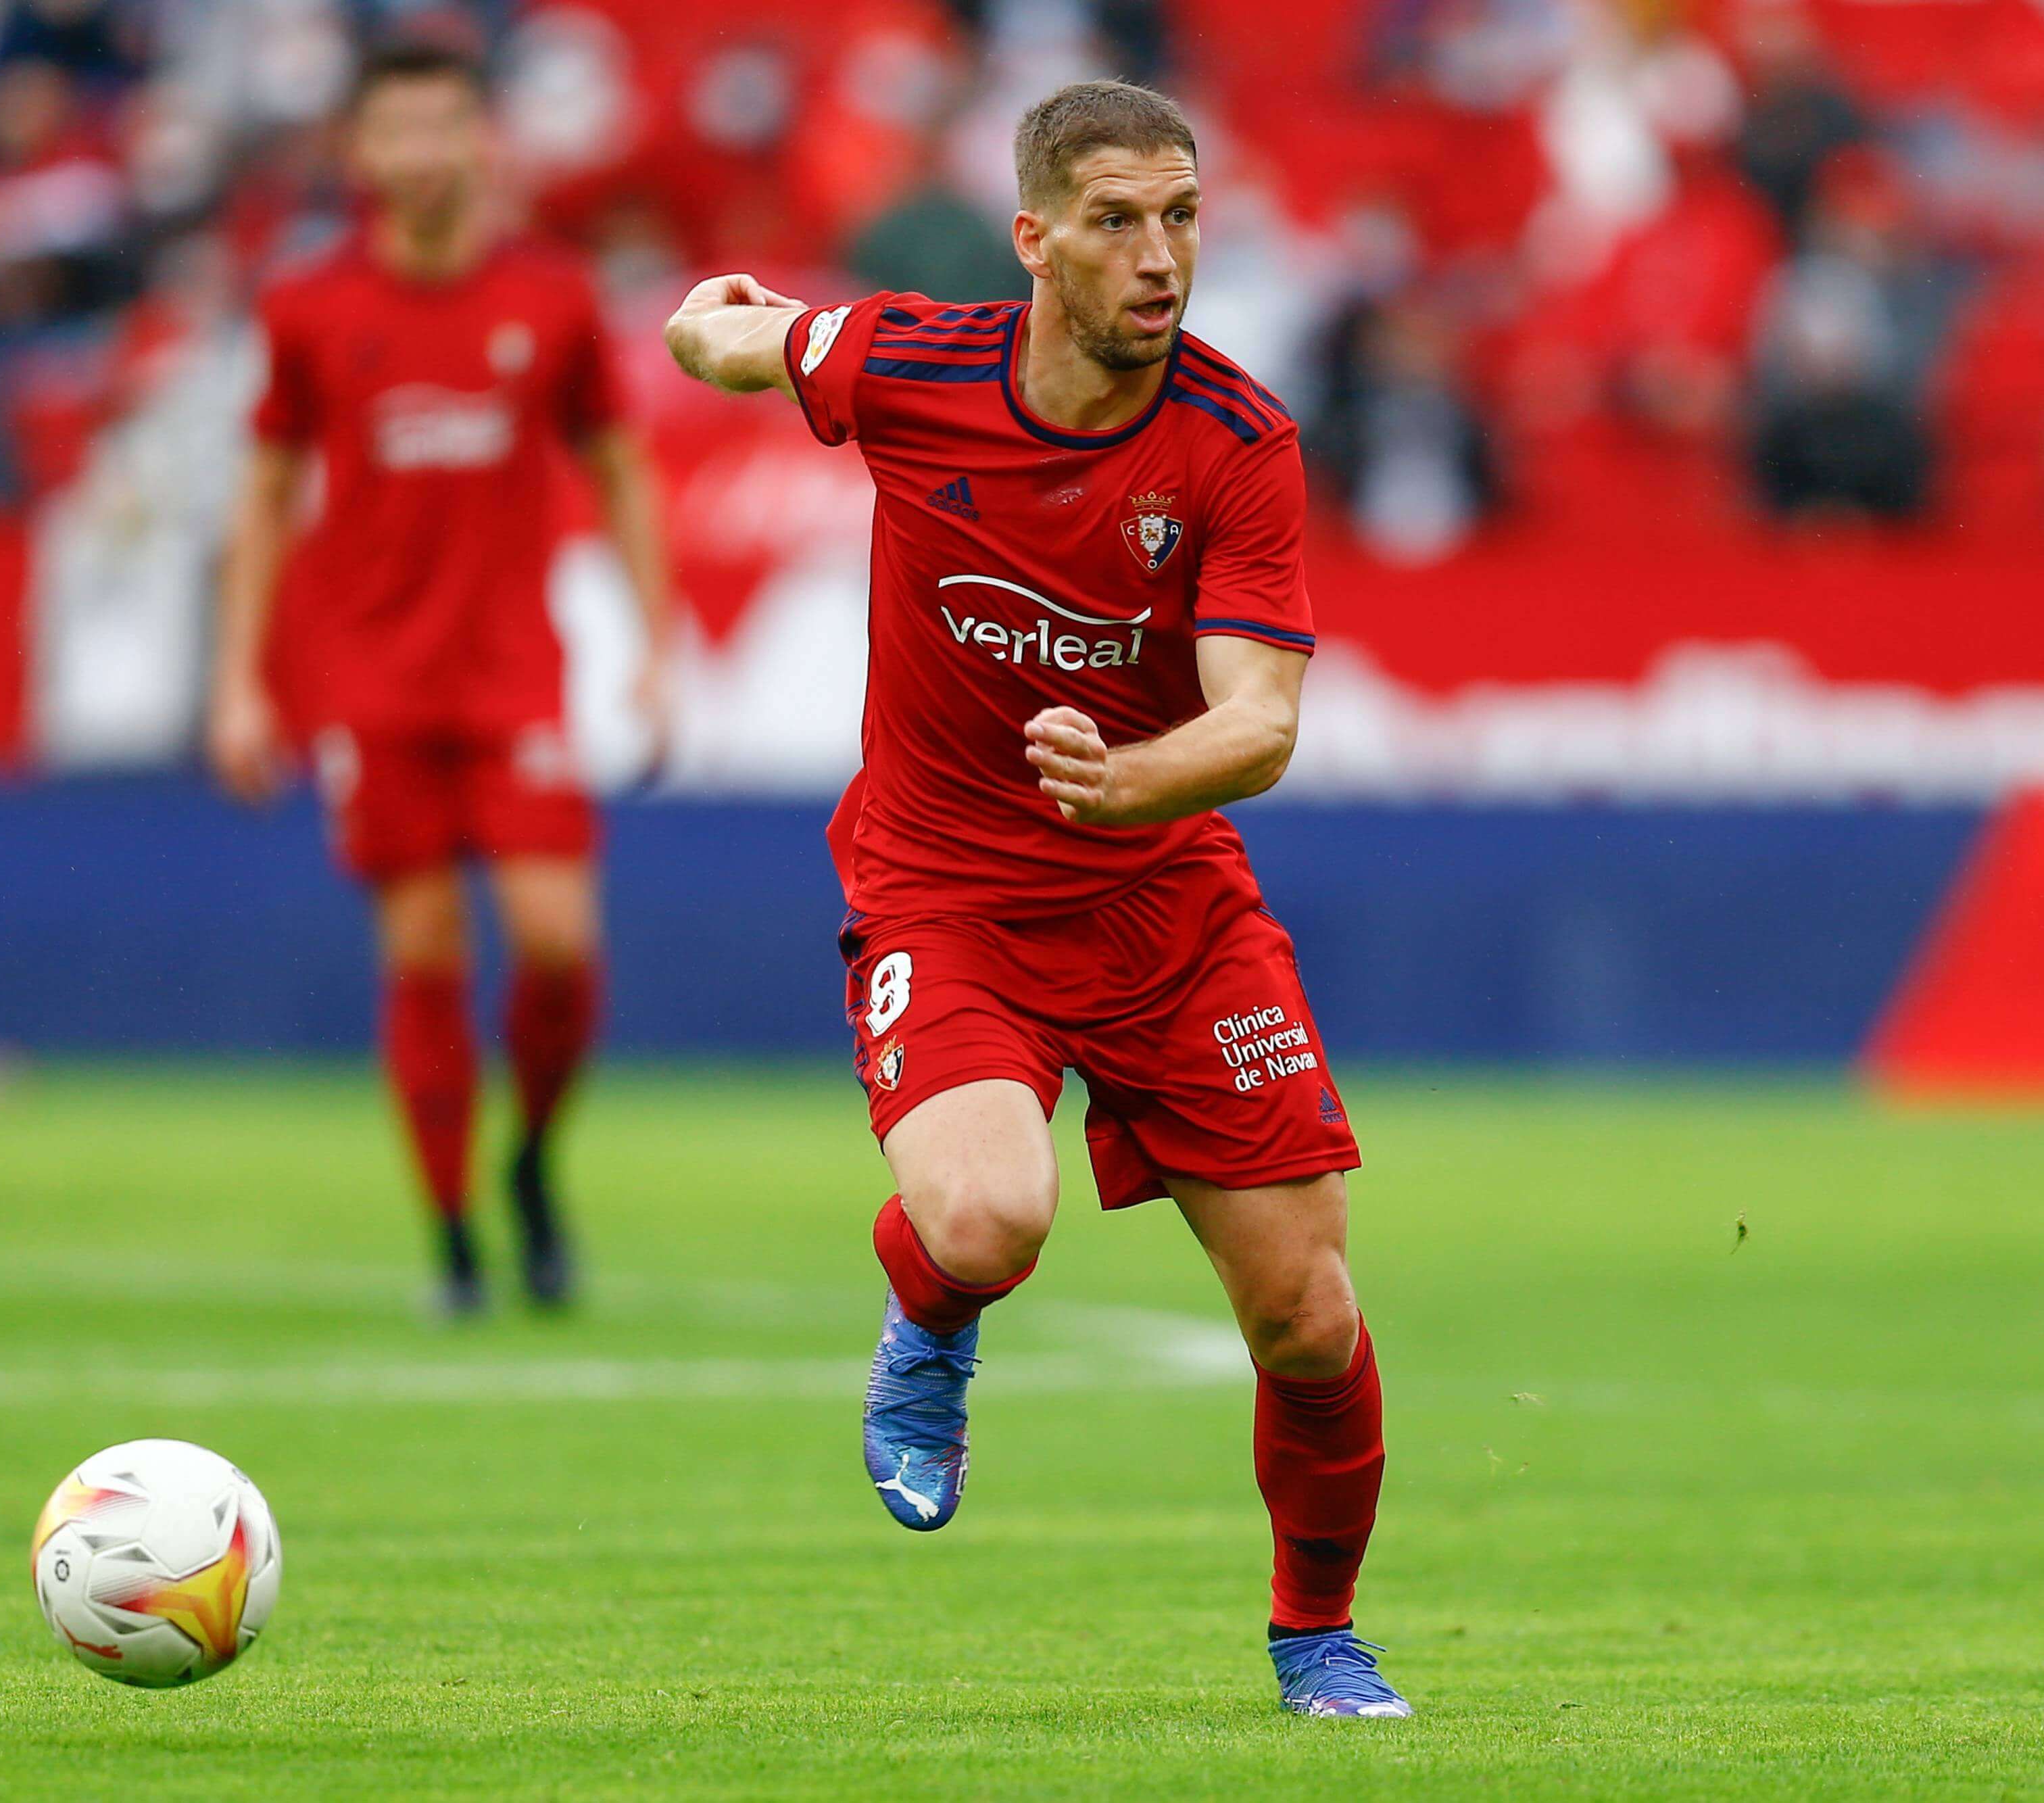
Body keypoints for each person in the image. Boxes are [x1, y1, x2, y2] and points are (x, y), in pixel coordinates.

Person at [662, 80, 1405, 1718]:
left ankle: (1316, 1636)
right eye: (1118, 221)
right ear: (1035, 240)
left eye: (1184, 217)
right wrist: (702, 325)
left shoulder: (1237, 442)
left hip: (1167, 906)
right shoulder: (907, 363)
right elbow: (745, 346)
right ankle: (929, 1312)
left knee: (1302, 1313)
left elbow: (1260, 721)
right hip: (947, 894)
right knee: (989, 1218)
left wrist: (1135, 780)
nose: (1160, 257)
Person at [210, 42, 675, 1315]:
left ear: (481, 141)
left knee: (556, 943)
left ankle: (529, 1157)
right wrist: (240, 681)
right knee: (422, 954)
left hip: (513, 672)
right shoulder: (310, 307)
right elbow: (261, 496)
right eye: (396, 131)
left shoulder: (553, 296)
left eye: (443, 127)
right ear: (360, 154)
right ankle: (457, 1233)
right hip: (368, 675)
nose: (421, 154)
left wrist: (658, 639)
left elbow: (622, 464)